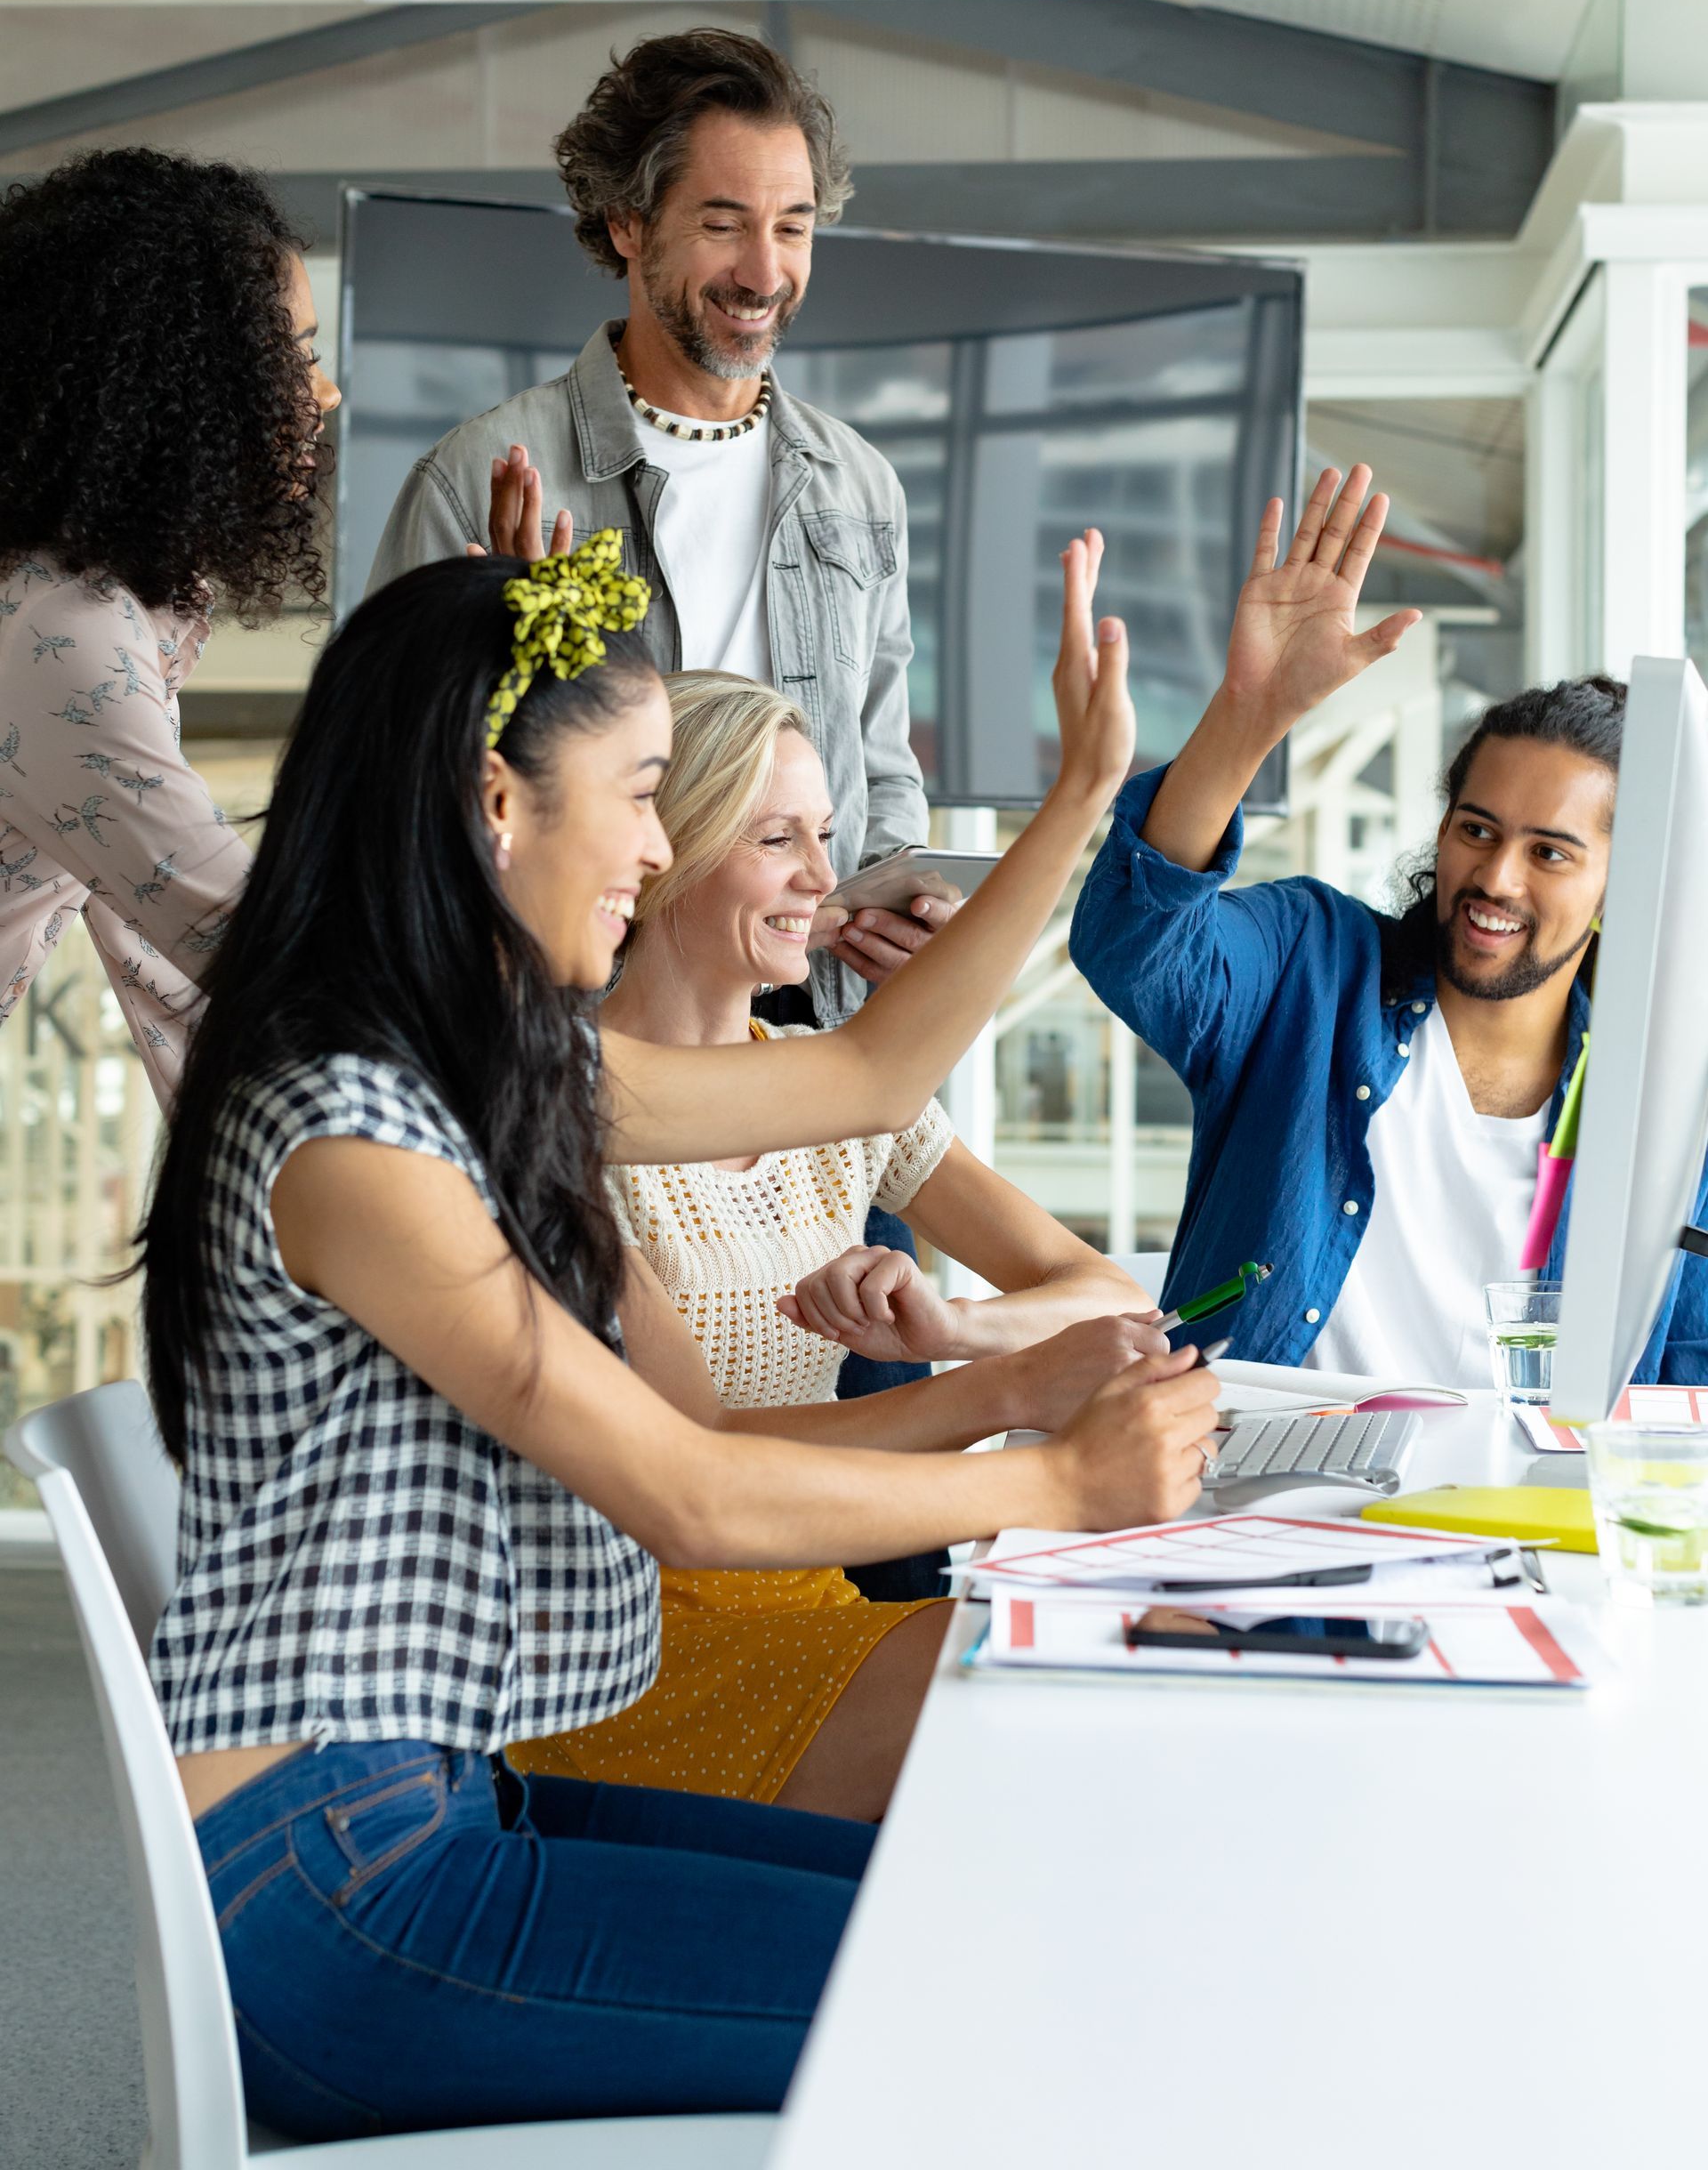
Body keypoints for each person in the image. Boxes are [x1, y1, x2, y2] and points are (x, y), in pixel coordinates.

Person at [140, 531, 1218, 2138]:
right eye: (645, 794)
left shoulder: (468, 1063)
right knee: (1003, 1987)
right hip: (327, 1897)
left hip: (431, 1810)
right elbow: (686, 1498)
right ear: (497, 805)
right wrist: (1054, 1483)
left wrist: (1075, 803)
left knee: (1004, 1909)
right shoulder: (350, 1124)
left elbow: (857, 1084)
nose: (659, 848)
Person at [505, 668, 1164, 1820]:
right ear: (672, 853)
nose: (823, 878)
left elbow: (1094, 1290)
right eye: (777, 839)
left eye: (824, 835)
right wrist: (996, 1389)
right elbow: (692, 1455)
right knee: (1042, 1718)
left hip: (814, 1604)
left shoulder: (838, 1104)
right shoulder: (558, 1107)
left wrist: (958, 1329)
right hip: (624, 1650)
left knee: (1108, 1681)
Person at [1069, 463, 1708, 1387]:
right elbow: (1132, 942)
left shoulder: (1661, 1112)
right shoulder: (1312, 963)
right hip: (1253, 1501)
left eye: (1550, 853)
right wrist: (1252, 714)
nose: (1495, 877)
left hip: (1517, 1514)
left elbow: (1685, 1381)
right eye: (1476, 830)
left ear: (1623, 887)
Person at [367, 24, 945, 1013]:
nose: (765, 273)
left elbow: (878, 766)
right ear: (628, 223)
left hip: (814, 1007)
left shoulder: (858, 483)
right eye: (724, 224)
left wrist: (907, 900)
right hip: (592, 1016)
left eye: (795, 227)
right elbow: (400, 793)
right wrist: (510, 673)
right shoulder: (482, 476)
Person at [0, 148, 341, 1104]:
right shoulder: (70, 638)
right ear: (182, 380)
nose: (325, 394)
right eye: (300, 355)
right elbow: (241, 941)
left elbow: (155, 935)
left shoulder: (118, 604)